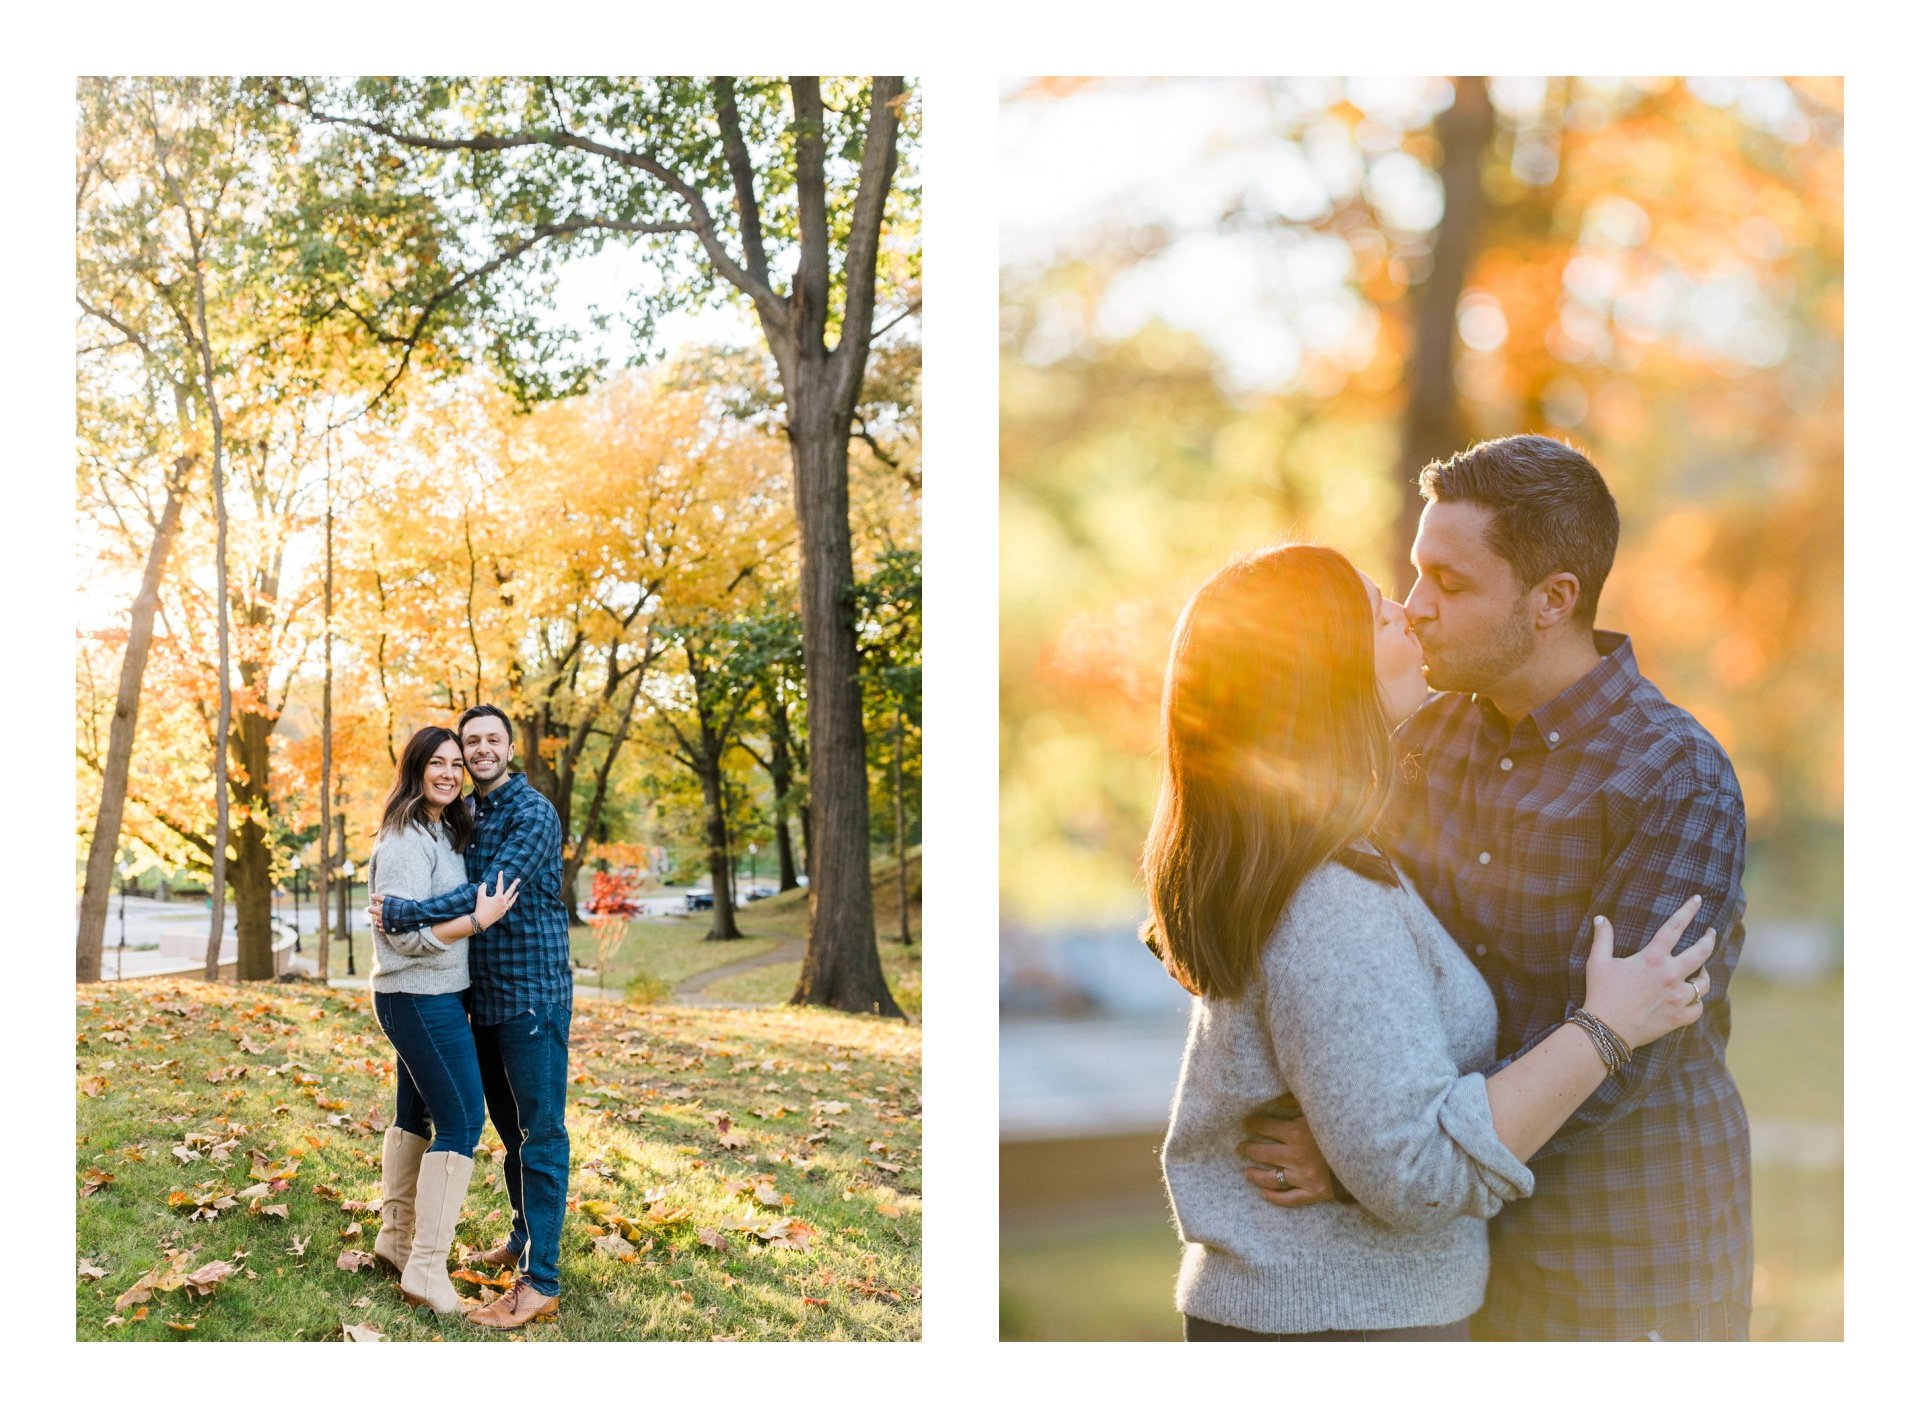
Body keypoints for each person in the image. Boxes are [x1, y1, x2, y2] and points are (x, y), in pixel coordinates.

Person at [1237, 436, 1752, 1341]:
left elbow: (1624, 1059)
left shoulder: (1674, 777)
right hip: (1450, 1250)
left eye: (1453, 583)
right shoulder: (1419, 741)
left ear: (1553, 600)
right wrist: (1386, 1141)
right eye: (1416, 575)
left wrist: (1383, 1147)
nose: (1416, 608)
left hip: (1625, 1258)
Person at [370, 704, 572, 1331]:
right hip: (476, 999)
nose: (477, 754)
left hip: (530, 997)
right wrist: (417, 914)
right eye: (465, 746)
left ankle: (541, 1280)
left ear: (510, 748)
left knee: (540, 1135)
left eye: (489, 742)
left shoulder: (532, 813)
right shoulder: (466, 816)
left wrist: (409, 911)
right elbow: (466, 894)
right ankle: (517, 1237)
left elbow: (492, 892)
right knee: (508, 1133)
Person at [367, 726, 519, 1315]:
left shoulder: (442, 828)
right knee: (461, 1122)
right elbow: (402, 937)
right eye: (438, 763)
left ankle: (396, 1241)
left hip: (435, 995)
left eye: (458, 763)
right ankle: (427, 1271)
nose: (451, 773)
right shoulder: (406, 836)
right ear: (415, 768)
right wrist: (475, 923)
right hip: (417, 997)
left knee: (415, 1115)